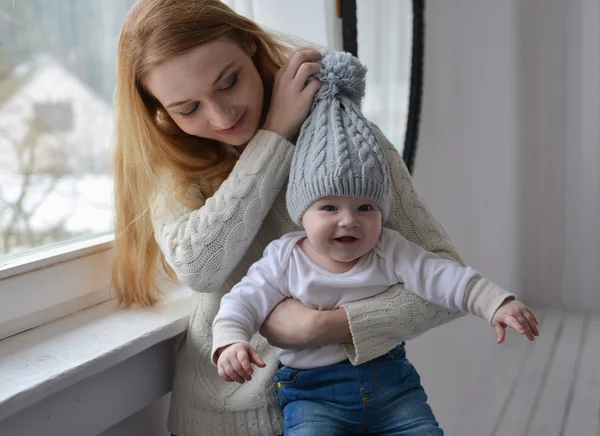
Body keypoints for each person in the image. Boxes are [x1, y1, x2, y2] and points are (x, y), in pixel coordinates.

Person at [112, 1, 496, 435]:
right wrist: (272, 137)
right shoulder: (173, 163)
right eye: (187, 109)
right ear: (158, 109)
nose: (221, 116)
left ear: (249, 44)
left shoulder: (345, 142)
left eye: (229, 81)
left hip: (351, 409)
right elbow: (201, 266)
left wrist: (328, 326)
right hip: (219, 419)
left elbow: (443, 273)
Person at [212, 51, 539, 436]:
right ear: (302, 213)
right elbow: (240, 301)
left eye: (365, 207)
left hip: (393, 386)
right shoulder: (285, 258)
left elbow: (445, 276)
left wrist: (496, 302)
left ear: (382, 213)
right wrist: (230, 343)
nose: (349, 220)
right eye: (329, 207)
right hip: (314, 396)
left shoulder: (389, 248)